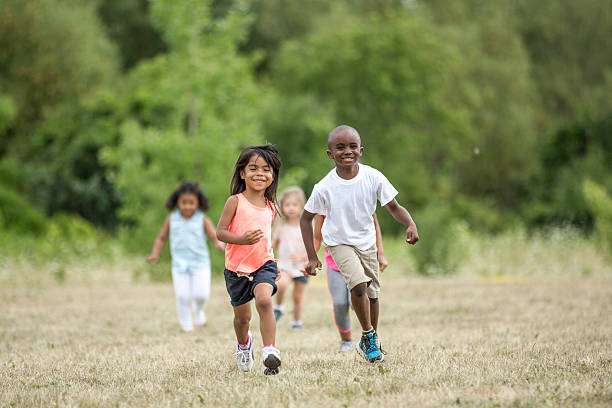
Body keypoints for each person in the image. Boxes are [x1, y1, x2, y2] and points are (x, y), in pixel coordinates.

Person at [300, 125, 419, 364]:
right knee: (358, 286)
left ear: (361, 150)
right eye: (340, 147)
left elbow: (393, 206)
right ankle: (367, 335)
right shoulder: (323, 187)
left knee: (373, 296)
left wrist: (410, 223)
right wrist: (312, 256)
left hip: (367, 243)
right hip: (338, 243)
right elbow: (305, 219)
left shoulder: (373, 177)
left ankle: (370, 340)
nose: (347, 151)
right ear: (329, 154)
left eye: (353, 146)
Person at [216, 144, 283, 375]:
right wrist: (241, 239)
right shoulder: (235, 201)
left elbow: (267, 239)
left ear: (272, 175)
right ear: (242, 173)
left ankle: (270, 351)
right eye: (253, 168)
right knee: (242, 319)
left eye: (266, 169)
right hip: (236, 269)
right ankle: (244, 345)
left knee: (264, 300)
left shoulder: (271, 207)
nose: (260, 174)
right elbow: (220, 232)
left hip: (264, 264)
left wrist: (274, 263)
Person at [146, 181, 225, 332]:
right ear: (177, 202)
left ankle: (199, 310)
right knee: (182, 296)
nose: (187, 206)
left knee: (201, 295)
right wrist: (155, 253)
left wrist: (218, 244)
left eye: (191, 203)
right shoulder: (172, 219)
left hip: (200, 263)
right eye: (184, 202)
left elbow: (214, 235)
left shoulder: (202, 219)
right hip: (179, 265)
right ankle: (186, 324)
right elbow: (162, 238)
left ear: (198, 203)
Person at [313, 213, 388, 352]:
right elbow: (317, 236)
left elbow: (374, 226)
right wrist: (310, 258)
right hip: (334, 264)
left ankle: (370, 340)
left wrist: (381, 254)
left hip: (361, 260)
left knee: (358, 300)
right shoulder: (324, 200)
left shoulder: (361, 194)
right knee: (339, 303)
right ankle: (346, 340)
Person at [272, 186, 309, 329]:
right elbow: (273, 244)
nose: (291, 208)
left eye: (295, 205)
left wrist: (301, 256)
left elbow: (312, 249)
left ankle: (297, 322)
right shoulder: (281, 226)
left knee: (297, 297)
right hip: (285, 265)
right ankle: (279, 307)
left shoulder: (305, 226)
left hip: (301, 267)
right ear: (282, 207)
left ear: (301, 206)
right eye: (287, 205)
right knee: (281, 284)